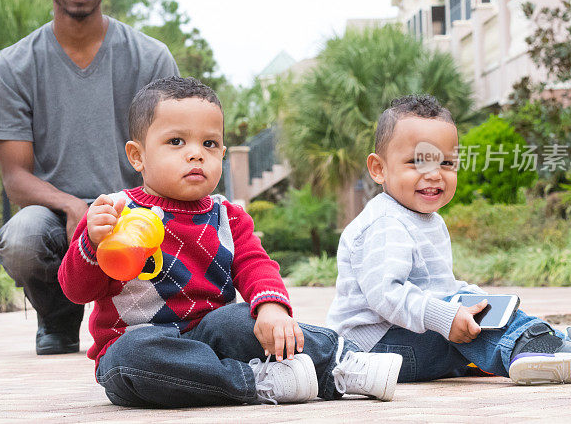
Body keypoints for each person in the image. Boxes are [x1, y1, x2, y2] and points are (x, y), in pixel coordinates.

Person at [58, 76, 404, 407]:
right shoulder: (115, 213)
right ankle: (257, 382)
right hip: (145, 350)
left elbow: (255, 264)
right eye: (176, 142)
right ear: (138, 156)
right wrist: (90, 242)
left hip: (212, 337)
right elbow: (76, 291)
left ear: (221, 151)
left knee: (241, 318)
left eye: (208, 144)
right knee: (131, 354)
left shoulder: (228, 216)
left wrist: (272, 307)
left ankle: (340, 364)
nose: (196, 154)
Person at [0, 0, 179, 355]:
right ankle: (58, 318)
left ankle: (152, 316)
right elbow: (15, 178)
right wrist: (75, 209)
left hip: (137, 206)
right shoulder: (13, 66)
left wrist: (131, 214)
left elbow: (172, 151)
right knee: (23, 238)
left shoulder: (150, 57)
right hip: (56, 212)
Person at [326, 94, 571, 385]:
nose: (433, 175)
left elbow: (436, 286)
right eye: (417, 162)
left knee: (479, 308)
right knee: (462, 317)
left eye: (445, 163)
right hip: (377, 349)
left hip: (405, 340)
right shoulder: (384, 223)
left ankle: (558, 342)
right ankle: (529, 350)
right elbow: (387, 295)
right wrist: (448, 313)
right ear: (379, 169)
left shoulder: (427, 219)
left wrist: (475, 299)